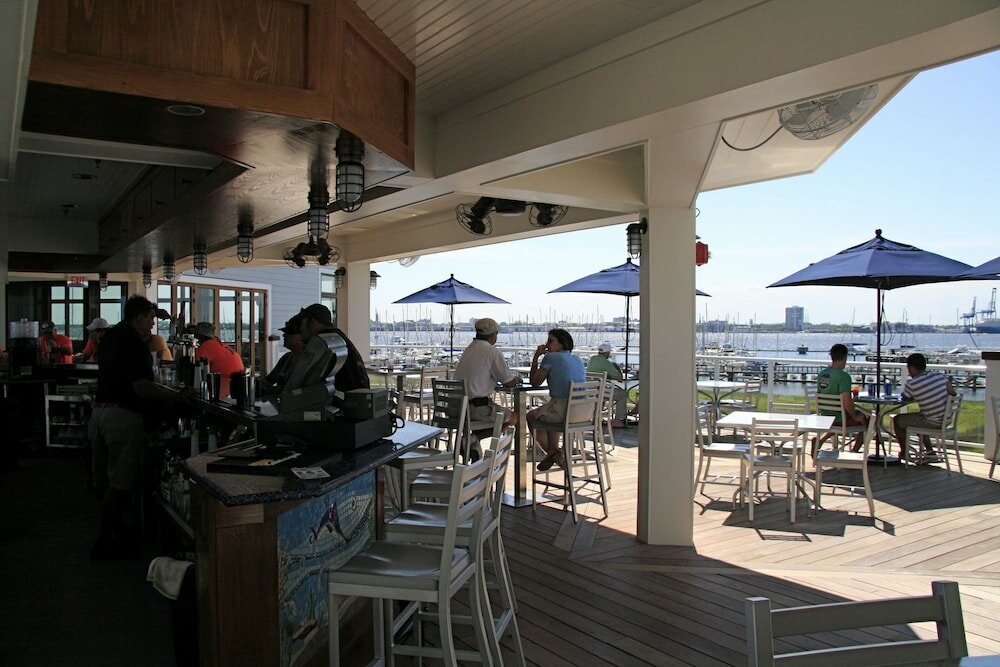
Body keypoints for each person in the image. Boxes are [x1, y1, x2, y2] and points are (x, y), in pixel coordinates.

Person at [89, 295, 191, 559]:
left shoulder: (110, 336)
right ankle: (104, 541)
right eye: (151, 319)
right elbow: (141, 386)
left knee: (104, 480)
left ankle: (117, 532)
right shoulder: (133, 343)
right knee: (121, 482)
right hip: (121, 417)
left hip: (99, 413)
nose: (153, 324)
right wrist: (177, 396)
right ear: (139, 317)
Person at [527, 328, 587, 471]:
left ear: (561, 344)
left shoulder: (551, 358)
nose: (547, 344)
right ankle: (553, 451)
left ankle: (553, 454)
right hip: (584, 410)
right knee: (548, 413)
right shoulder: (577, 359)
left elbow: (535, 382)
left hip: (564, 410)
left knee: (530, 417)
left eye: (550, 341)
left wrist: (536, 357)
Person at [453, 317, 521, 432]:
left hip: (455, 408)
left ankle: (471, 443)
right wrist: (518, 379)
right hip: (474, 409)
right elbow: (508, 381)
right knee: (513, 418)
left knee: (489, 418)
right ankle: (473, 440)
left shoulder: (469, 349)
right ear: (493, 335)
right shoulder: (492, 352)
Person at [284, 303, 369, 393]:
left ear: (312, 323)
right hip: (356, 398)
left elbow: (300, 380)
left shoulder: (321, 343)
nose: (300, 329)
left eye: (301, 324)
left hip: (347, 400)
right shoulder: (335, 337)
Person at [893, 352, 956, 461]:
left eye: (908, 368)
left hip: (931, 421)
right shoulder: (939, 376)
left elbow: (905, 398)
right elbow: (953, 394)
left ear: (912, 368)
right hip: (946, 420)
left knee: (897, 420)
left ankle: (904, 452)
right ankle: (930, 452)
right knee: (921, 417)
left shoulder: (912, 384)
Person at [816, 343, 869, 450]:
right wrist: (855, 416)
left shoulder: (822, 374)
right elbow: (846, 401)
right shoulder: (844, 377)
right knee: (868, 420)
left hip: (825, 415)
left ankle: (820, 440)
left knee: (846, 418)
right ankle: (854, 452)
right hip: (839, 419)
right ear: (845, 357)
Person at [193, 322, 245, 399]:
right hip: (239, 387)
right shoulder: (219, 344)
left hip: (223, 389)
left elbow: (196, 369)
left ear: (199, 335)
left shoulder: (206, 346)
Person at [586, 342, 627, 427]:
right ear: (608, 353)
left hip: (590, 391)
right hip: (599, 391)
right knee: (622, 394)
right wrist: (616, 367)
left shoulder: (592, 359)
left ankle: (597, 417)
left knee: (603, 389)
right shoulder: (606, 363)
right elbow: (620, 378)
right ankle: (618, 420)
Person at [263, 313, 305, 397]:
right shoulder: (286, 358)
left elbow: (305, 391)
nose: (284, 335)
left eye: (289, 332)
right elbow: (269, 380)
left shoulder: (309, 361)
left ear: (301, 336)